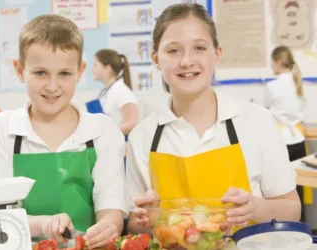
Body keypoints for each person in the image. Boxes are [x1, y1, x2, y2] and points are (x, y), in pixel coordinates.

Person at [125, 3, 301, 234]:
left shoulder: (257, 121)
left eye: (199, 47)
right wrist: (143, 221)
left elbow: (291, 209)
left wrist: (255, 207)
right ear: (156, 58)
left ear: (216, 54)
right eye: (173, 50)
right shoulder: (142, 136)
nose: (186, 61)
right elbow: (136, 229)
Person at [0, 14, 126, 249]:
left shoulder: (102, 130)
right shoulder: (0, 130)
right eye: (40, 73)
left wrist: (108, 226)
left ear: (80, 71)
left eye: (64, 74)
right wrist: (43, 224)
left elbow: (111, 209)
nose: (52, 86)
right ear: (19, 70)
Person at [264, 45, 308, 222]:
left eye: (272, 62)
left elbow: (265, 111)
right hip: (298, 139)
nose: (271, 66)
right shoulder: (297, 82)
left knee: (279, 189)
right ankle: (302, 223)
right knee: (299, 187)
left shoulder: (272, 85)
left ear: (279, 61)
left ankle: (283, 227)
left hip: (280, 140)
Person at [88, 49, 139, 136]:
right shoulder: (106, 92)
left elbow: (132, 123)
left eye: (95, 65)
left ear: (107, 68)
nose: (92, 70)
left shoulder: (121, 91)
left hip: (119, 145)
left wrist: (105, 133)